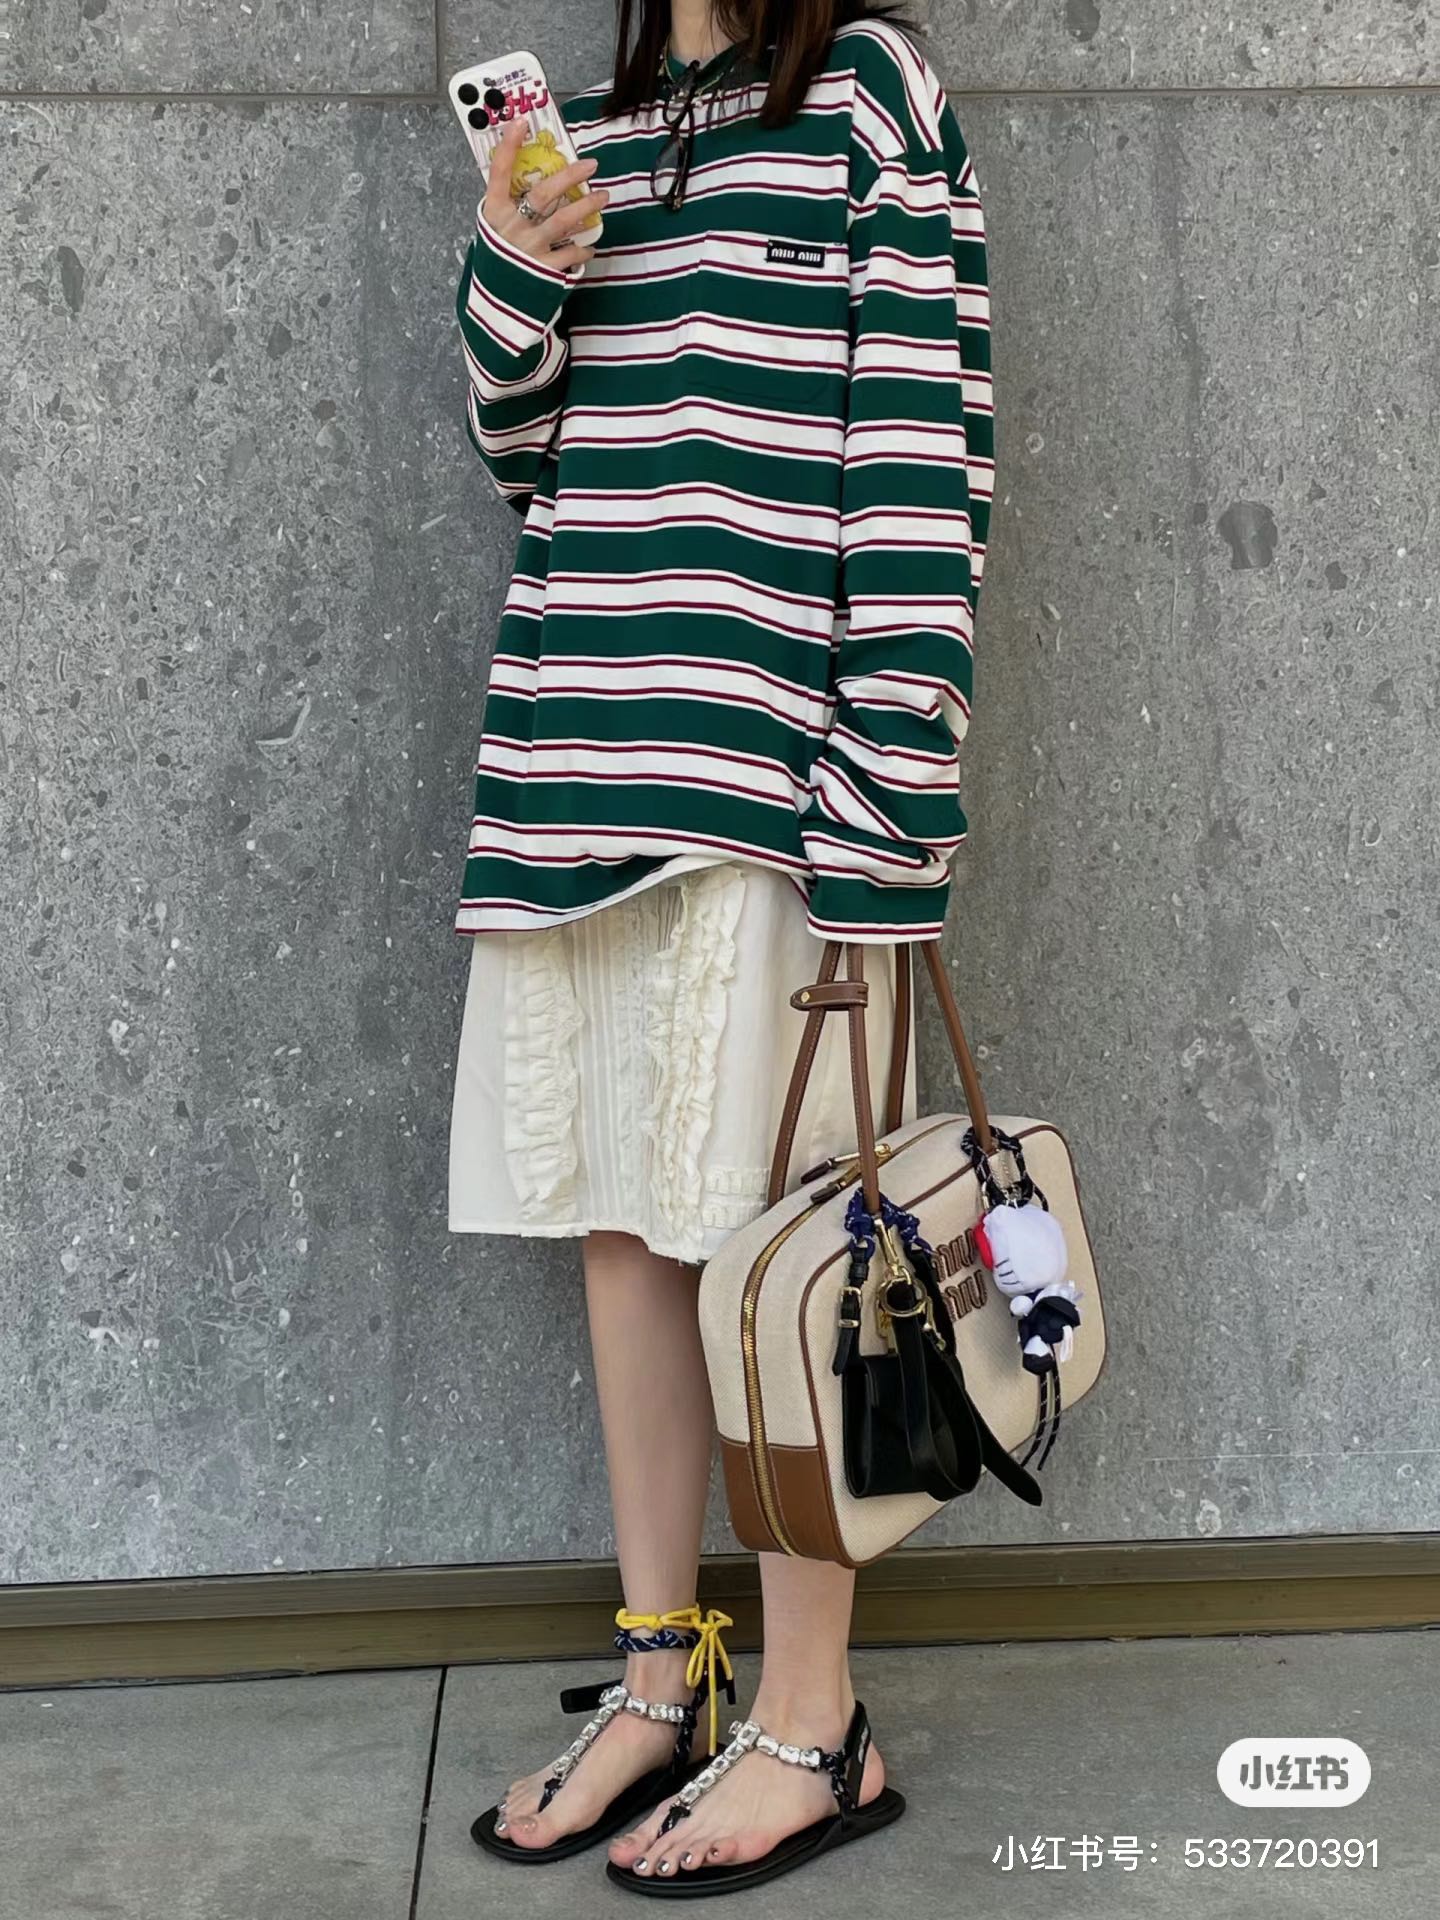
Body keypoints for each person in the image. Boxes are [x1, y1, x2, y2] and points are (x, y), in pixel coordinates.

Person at [446, 0, 994, 1895]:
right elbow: (529, 456)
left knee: (790, 1262)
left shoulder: (870, 96)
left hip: (778, 787)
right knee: (628, 1232)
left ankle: (816, 1720)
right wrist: (516, 269)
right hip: (579, 767)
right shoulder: (594, 126)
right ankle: (662, 1677)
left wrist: (888, 820)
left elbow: (923, 470)